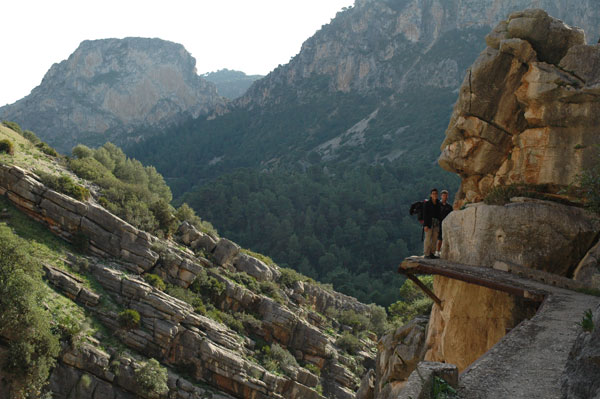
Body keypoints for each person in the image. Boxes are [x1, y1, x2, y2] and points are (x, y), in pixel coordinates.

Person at [423, 188, 441, 259]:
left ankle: (432, 253)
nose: (435, 195)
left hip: (436, 223)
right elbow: (425, 215)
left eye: (436, 194)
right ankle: (427, 254)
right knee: (428, 238)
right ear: (431, 195)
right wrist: (425, 225)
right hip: (429, 223)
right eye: (433, 194)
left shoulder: (438, 203)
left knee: (434, 238)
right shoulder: (427, 203)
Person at [436, 189, 453, 256]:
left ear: (447, 196)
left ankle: (443, 251)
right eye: (443, 195)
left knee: (445, 238)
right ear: (441, 196)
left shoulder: (449, 206)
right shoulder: (437, 205)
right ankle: (437, 252)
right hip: (438, 223)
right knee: (439, 238)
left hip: (446, 224)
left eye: (446, 196)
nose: (444, 197)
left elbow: (451, 215)